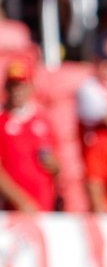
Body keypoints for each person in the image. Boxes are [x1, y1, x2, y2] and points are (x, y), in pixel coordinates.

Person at [0, 60, 59, 212]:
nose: (17, 91)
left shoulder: (43, 120)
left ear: (30, 87)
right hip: (12, 209)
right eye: (13, 86)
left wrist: (54, 165)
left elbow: (56, 164)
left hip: (43, 205)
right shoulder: (2, 121)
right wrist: (21, 201)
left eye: (21, 86)